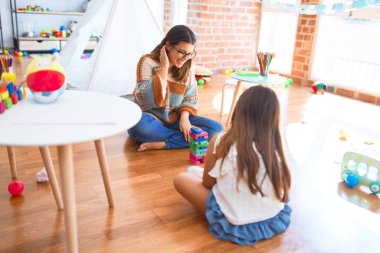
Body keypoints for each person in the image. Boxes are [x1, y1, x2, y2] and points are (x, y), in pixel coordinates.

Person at [173, 85, 292, 245]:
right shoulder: (275, 146)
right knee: (196, 172)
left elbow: (208, 184)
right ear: (273, 118)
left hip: (234, 221)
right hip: (271, 218)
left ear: (239, 112)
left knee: (182, 178)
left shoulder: (221, 140)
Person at [128, 25, 223, 151]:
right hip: (148, 118)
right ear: (168, 46)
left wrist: (184, 119)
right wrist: (163, 69)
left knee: (216, 129)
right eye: (181, 52)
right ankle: (187, 139)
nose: (185, 58)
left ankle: (164, 143)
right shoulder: (146, 62)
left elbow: (190, 98)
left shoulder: (188, 66)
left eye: (189, 54)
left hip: (175, 120)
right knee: (138, 127)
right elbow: (144, 99)